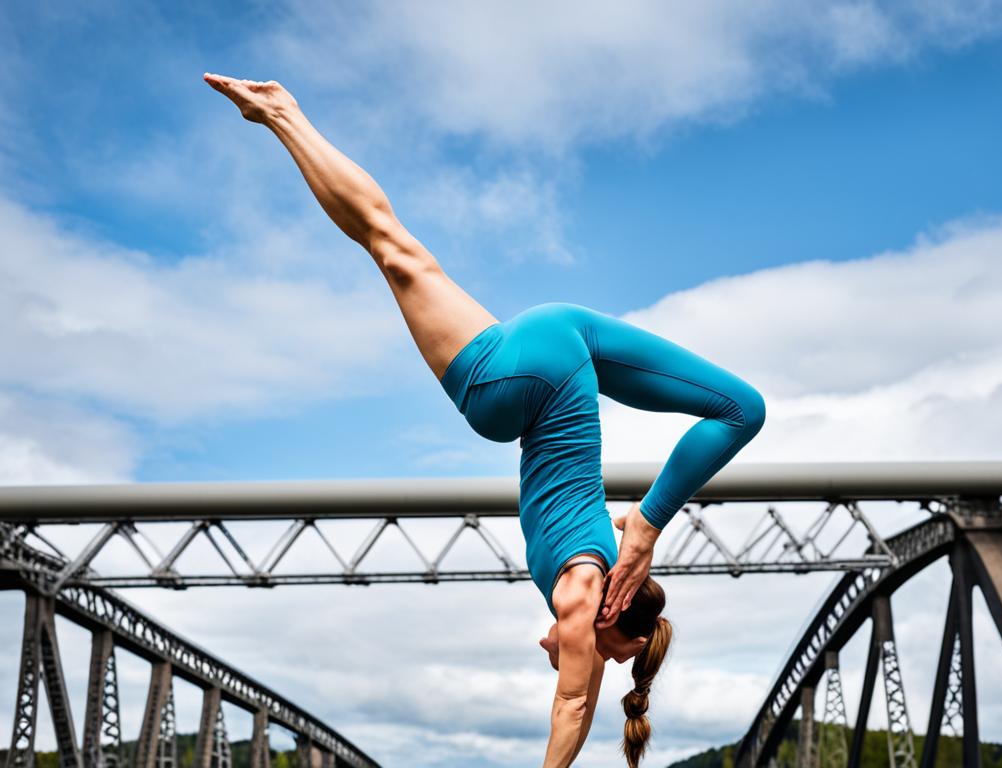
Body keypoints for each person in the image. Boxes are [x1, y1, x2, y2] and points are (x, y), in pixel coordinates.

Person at [204, 73, 766, 768]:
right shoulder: (585, 591)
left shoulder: (598, 558)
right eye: (606, 651)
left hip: (562, 346)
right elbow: (572, 704)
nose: (580, 654)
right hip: (521, 386)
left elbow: (586, 675)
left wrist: (643, 525)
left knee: (743, 409)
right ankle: (284, 115)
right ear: (611, 617)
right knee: (390, 248)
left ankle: (284, 116)